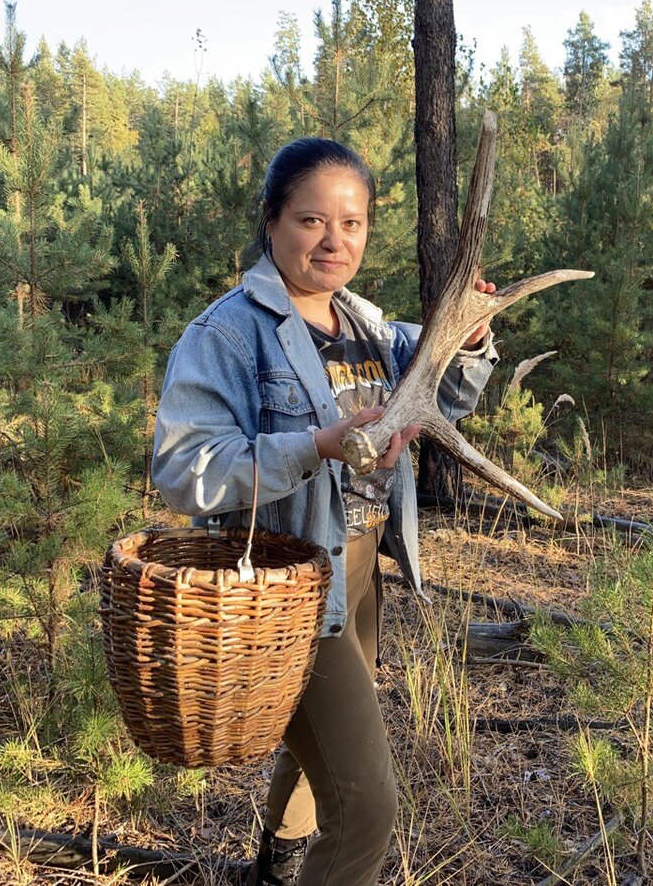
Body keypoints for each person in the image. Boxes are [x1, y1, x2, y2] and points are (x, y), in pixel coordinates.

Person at [151, 138, 498, 886]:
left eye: (352, 223)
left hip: (361, 570)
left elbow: (444, 394)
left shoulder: (367, 324)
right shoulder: (227, 335)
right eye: (311, 221)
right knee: (367, 807)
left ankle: (276, 868)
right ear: (271, 221)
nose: (334, 241)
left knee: (323, 750)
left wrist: (467, 341)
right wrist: (314, 445)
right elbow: (183, 471)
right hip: (290, 585)